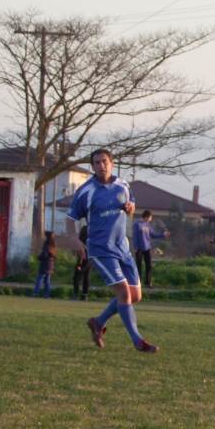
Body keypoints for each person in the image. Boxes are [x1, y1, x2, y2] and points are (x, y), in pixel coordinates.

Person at [66, 148, 158, 353]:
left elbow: (132, 205)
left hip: (122, 248)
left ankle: (98, 322)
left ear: (112, 163)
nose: (101, 165)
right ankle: (138, 341)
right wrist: (74, 239)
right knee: (124, 293)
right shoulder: (86, 191)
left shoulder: (123, 185)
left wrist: (130, 208)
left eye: (104, 161)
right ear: (93, 167)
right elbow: (71, 217)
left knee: (135, 296)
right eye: (97, 163)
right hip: (100, 249)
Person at [131, 210, 168, 288]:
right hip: (139, 248)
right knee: (138, 266)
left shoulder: (148, 225)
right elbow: (135, 236)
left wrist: (163, 235)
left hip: (147, 248)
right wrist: (135, 247)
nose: (151, 219)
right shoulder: (137, 224)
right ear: (147, 216)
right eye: (151, 217)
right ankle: (138, 283)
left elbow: (153, 235)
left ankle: (148, 282)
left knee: (149, 265)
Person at [33, 231, 56, 298]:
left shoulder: (47, 243)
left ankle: (36, 293)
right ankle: (47, 294)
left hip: (45, 264)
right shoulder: (53, 244)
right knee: (47, 281)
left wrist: (39, 257)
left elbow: (45, 254)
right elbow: (53, 255)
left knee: (39, 279)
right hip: (51, 264)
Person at [72, 224, 91, 301]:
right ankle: (84, 295)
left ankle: (75, 294)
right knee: (86, 277)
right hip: (90, 259)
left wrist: (79, 264)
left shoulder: (82, 240)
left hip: (82, 259)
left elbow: (80, 252)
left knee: (77, 276)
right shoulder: (91, 238)